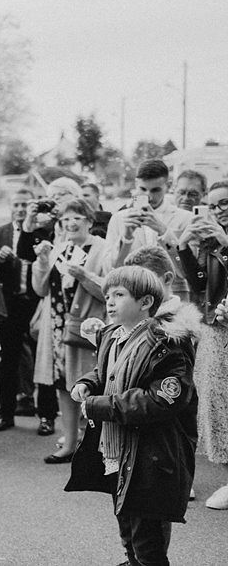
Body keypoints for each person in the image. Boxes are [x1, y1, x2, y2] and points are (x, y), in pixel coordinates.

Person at [67, 266, 197, 566]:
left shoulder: (168, 342)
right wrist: (87, 383)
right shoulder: (112, 335)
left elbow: (162, 400)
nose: (110, 302)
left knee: (147, 540)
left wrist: (99, 406)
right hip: (117, 451)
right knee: (125, 526)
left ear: (146, 302)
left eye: (119, 295)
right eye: (107, 295)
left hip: (151, 457)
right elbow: (106, 372)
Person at [31, 198, 109, 463]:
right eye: (65, 219)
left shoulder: (101, 248)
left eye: (77, 217)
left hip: (87, 328)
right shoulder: (59, 248)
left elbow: (109, 291)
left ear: (89, 220)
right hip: (57, 328)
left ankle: (97, 447)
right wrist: (42, 261)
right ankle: (70, 443)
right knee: (64, 384)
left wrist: (84, 276)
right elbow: (41, 290)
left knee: (90, 384)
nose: (70, 223)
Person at [0, 188, 57, 433]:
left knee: (43, 357)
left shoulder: (43, 230)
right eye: (16, 204)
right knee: (9, 360)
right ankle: (6, 413)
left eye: (26, 204)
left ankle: (47, 416)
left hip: (38, 301)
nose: (21, 209)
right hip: (11, 301)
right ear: (10, 207)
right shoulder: (0, 231)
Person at [175, 180, 228, 509]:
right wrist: (183, 245)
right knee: (215, 407)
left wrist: (225, 242)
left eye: (225, 204)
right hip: (214, 330)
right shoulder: (209, 240)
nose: (219, 211)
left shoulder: (221, 239)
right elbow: (197, 285)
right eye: (213, 205)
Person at [105, 159, 192, 270]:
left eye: (155, 190)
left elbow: (187, 269)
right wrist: (126, 239)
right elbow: (109, 269)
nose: (149, 196)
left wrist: (163, 231)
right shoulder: (118, 218)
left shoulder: (186, 218)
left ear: (168, 186)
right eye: (143, 189)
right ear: (136, 184)